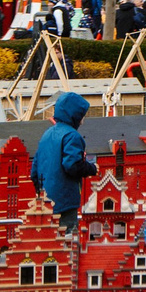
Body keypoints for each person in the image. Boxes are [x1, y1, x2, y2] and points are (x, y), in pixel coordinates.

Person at [32, 91, 98, 232]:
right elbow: (72, 165)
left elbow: (34, 170)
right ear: (75, 115)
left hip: (44, 203)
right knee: (68, 245)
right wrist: (92, 168)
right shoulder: (72, 136)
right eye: (82, 115)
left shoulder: (47, 134)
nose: (83, 120)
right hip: (65, 202)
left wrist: (41, 194)